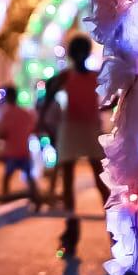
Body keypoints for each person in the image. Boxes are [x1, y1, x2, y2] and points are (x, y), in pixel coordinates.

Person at [48, 34, 110, 258]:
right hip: (74, 128)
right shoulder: (67, 77)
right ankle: (71, 228)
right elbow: (47, 98)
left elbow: (110, 98)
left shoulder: (89, 76)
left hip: (86, 128)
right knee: (72, 181)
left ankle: (113, 230)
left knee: (100, 179)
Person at [0, 92, 40, 208]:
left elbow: (2, 132)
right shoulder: (24, 113)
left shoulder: (5, 113)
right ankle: (36, 199)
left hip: (12, 151)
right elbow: (33, 127)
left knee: (7, 176)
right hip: (24, 149)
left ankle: (5, 200)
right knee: (29, 176)